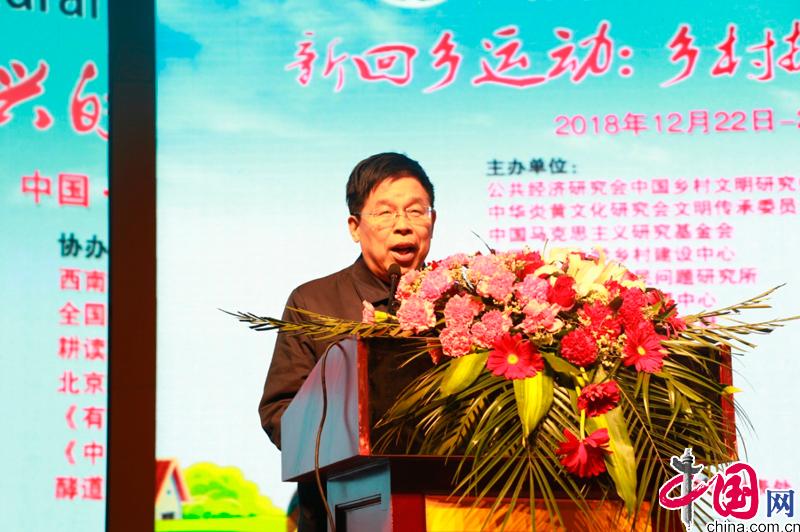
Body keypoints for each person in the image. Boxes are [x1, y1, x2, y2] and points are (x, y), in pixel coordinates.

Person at [258, 152, 436, 531]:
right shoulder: (313, 302)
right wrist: (353, 440)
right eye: (385, 213)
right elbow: (279, 414)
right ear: (355, 227)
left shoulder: (465, 305)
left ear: (432, 221)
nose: (403, 226)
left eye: (416, 211)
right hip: (341, 511)